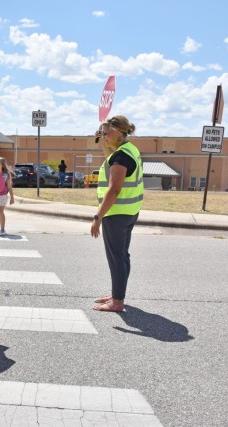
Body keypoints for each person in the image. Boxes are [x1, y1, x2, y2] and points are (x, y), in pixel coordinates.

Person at [90, 115, 144, 312]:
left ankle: (117, 301)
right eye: (102, 133)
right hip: (129, 212)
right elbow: (108, 155)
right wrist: (102, 139)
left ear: (117, 133)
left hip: (117, 213)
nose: (103, 136)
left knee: (116, 258)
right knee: (121, 256)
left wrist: (98, 217)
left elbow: (114, 190)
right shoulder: (128, 150)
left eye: (106, 133)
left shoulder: (121, 157)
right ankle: (117, 294)